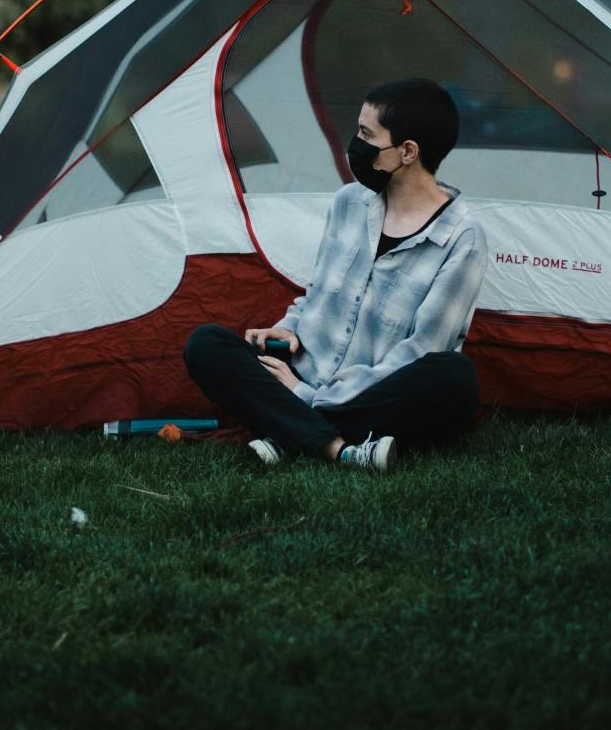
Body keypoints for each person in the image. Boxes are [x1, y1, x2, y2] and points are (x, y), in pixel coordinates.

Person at [183, 78, 487, 472]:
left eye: (366, 135)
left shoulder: (462, 238)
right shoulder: (349, 202)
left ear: (408, 152)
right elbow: (317, 293)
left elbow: (420, 351)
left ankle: (292, 429)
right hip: (304, 369)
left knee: (453, 377)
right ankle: (342, 448)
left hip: (373, 394)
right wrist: (289, 328)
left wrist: (307, 396)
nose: (355, 145)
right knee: (205, 344)